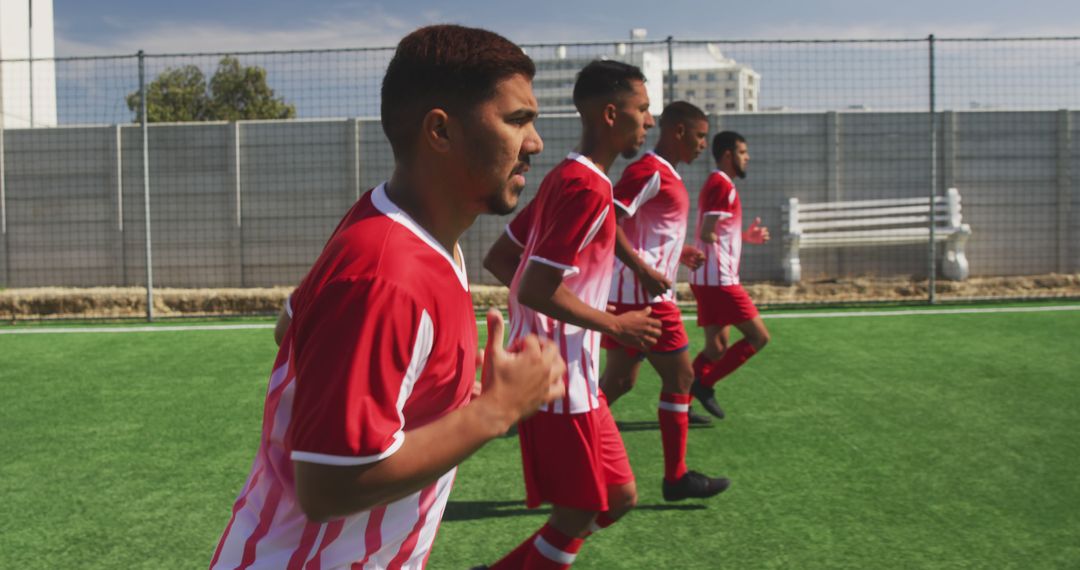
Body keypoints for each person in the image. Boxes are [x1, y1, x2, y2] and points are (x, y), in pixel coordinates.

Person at [210, 25, 567, 569]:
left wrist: (437, 382)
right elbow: (328, 487)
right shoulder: (385, 275)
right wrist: (494, 411)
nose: (535, 143)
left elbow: (290, 327)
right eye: (517, 120)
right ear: (440, 132)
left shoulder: (400, 222)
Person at [479, 60, 665, 570]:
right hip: (561, 383)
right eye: (643, 109)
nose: (649, 121)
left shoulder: (568, 176)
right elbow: (537, 287)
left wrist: (560, 310)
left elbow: (503, 262)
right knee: (580, 510)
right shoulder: (588, 187)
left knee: (620, 498)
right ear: (611, 114)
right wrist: (616, 324)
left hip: (578, 379)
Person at [598, 100, 730, 501]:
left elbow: (642, 231)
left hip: (631, 295)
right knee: (682, 378)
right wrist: (641, 269)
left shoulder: (665, 174)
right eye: (700, 136)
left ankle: (560, 438)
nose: (703, 145)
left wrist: (680, 252)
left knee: (618, 383)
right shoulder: (649, 170)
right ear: (677, 131)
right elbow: (606, 217)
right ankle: (676, 478)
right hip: (645, 299)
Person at [688, 131, 771, 420]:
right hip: (719, 281)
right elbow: (707, 231)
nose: (747, 158)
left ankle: (680, 402)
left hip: (708, 279)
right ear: (728, 155)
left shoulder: (720, 184)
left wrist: (745, 236)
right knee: (759, 337)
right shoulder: (722, 185)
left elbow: (718, 231)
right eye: (743, 152)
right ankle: (704, 385)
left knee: (717, 347)